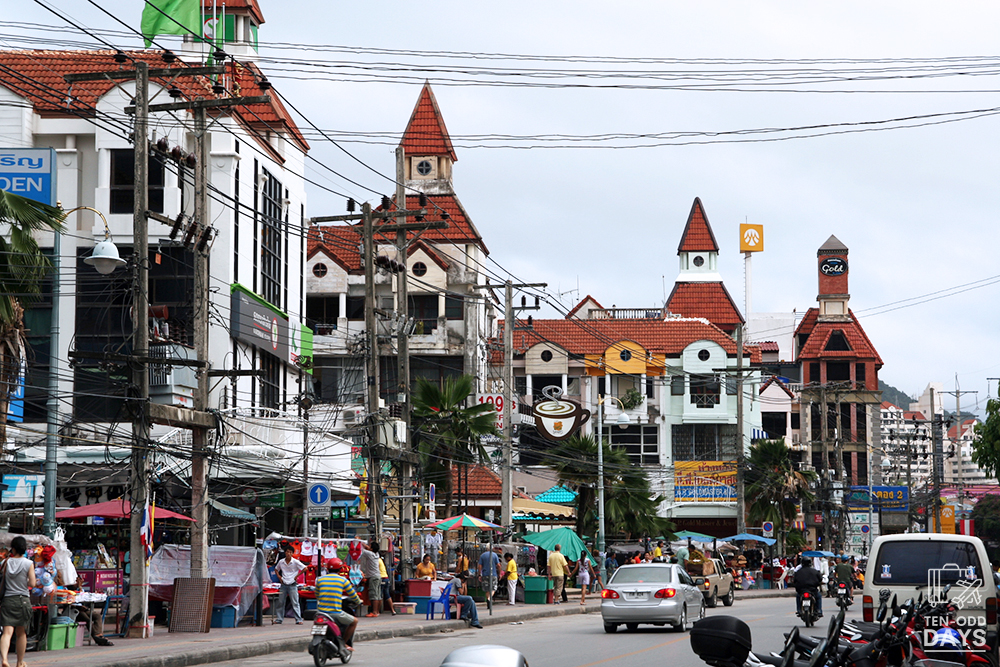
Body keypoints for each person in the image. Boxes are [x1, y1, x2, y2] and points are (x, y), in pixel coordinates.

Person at [1, 536, 37, 667]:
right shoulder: (28, 563)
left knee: (6, 633)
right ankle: (20, 662)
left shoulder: (5, 563)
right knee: (21, 633)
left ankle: (4, 659)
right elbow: (32, 583)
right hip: (23, 600)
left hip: (7, 600)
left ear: (13, 549)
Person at [315, 560, 363, 652]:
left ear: (327, 568)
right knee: (354, 621)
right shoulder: (343, 580)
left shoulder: (320, 579)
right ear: (340, 569)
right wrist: (358, 601)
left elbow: (317, 595)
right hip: (335, 613)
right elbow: (353, 595)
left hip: (320, 613)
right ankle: (343, 643)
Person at [56, 571, 113, 646]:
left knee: (97, 616)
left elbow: (82, 597)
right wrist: (78, 607)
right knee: (87, 619)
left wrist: (79, 586)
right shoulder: (66, 589)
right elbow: (66, 603)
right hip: (73, 610)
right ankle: (96, 637)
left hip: (82, 609)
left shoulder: (79, 589)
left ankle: (99, 634)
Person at [273, 546, 307, 624]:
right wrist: (279, 577)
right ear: (285, 552)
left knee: (295, 602)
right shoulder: (281, 562)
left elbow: (305, 568)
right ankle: (279, 619)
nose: (288, 554)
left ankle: (298, 619)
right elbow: (276, 569)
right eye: (287, 552)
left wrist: (297, 576)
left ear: (292, 553)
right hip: (284, 583)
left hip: (292, 583)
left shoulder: (295, 562)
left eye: (290, 552)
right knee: (281, 602)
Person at [357, 542, 383, 617]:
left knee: (374, 594)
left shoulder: (369, 554)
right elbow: (367, 548)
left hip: (373, 577)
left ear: (371, 548)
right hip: (377, 576)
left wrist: (359, 542)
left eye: (370, 546)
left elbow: (363, 548)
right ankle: (377, 611)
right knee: (378, 595)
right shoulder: (376, 554)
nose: (368, 546)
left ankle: (374, 612)